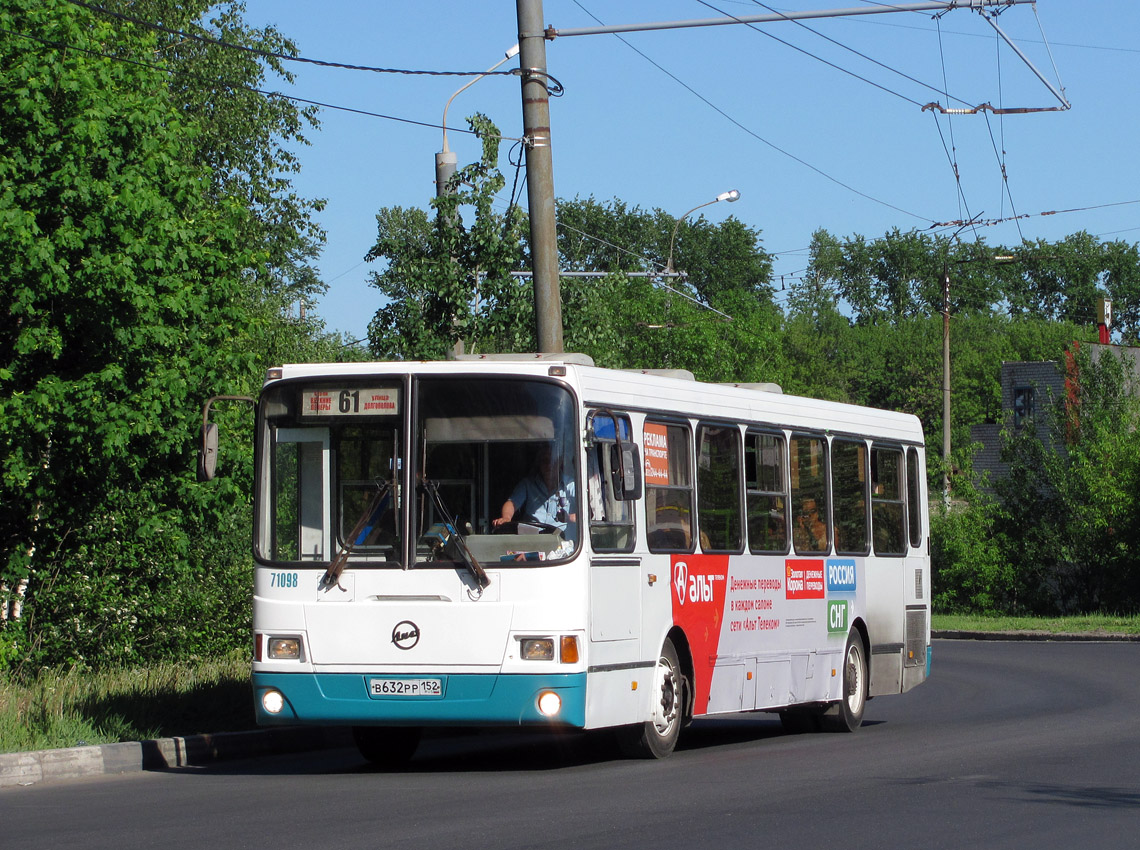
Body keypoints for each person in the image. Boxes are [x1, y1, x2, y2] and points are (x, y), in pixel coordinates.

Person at [493, 443, 577, 539]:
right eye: (544, 461)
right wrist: (506, 518)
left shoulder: (571, 484)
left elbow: (588, 513)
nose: (548, 465)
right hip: (532, 541)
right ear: (539, 463)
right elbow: (512, 503)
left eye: (552, 461)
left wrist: (569, 518)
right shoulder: (527, 484)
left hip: (562, 543)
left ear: (560, 462)